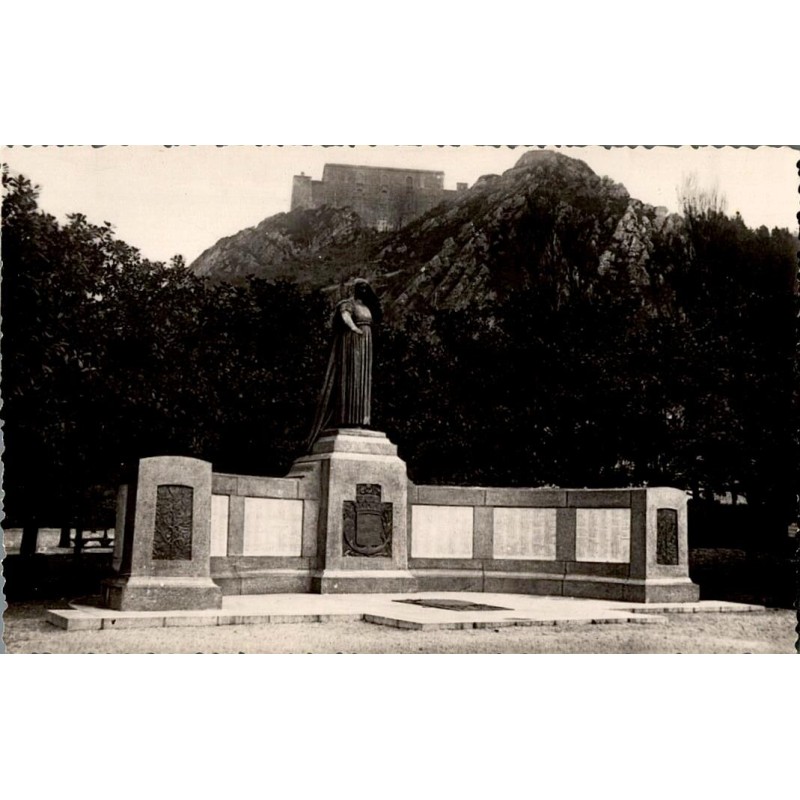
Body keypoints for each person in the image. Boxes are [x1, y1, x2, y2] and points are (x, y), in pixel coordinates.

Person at [307, 279, 383, 449]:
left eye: (366, 287)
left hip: (365, 345)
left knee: (363, 380)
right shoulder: (348, 303)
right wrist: (354, 328)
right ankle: (348, 418)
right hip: (352, 343)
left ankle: (362, 419)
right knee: (352, 378)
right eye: (360, 287)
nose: (363, 290)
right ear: (355, 289)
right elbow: (345, 316)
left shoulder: (366, 307)